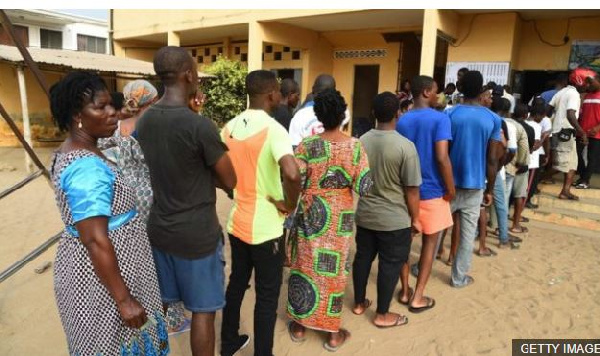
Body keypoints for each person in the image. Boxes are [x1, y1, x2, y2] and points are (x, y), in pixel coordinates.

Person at [48, 71, 168, 355]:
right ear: (78, 115)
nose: (113, 112)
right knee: (113, 345)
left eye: (110, 104)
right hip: (102, 280)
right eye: (100, 107)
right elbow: (95, 240)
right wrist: (124, 300)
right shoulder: (85, 168)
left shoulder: (87, 150)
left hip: (115, 267)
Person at [137, 46, 237, 356]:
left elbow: (166, 163)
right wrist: (208, 176)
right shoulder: (199, 126)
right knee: (203, 312)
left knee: (162, 307)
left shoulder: (146, 120)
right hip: (196, 237)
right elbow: (230, 180)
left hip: (160, 230)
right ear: (189, 75)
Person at [221, 70, 301, 356]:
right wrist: (289, 205)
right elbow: (292, 173)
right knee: (267, 297)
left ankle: (229, 342)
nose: (280, 95)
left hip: (237, 222)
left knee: (237, 283)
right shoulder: (273, 129)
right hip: (266, 229)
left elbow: (220, 172)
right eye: (279, 91)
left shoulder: (229, 127)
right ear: (270, 94)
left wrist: (235, 190)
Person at [287, 88, 372, 352]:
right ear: (343, 114)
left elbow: (294, 178)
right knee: (333, 272)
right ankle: (332, 334)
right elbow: (365, 187)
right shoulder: (355, 146)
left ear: (318, 116)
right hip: (339, 219)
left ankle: (300, 326)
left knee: (304, 265)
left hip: (311, 214)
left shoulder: (307, 146)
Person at [351, 91, 418, 327]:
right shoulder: (406, 147)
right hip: (394, 219)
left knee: (362, 259)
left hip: (366, 214)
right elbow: (412, 189)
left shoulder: (360, 142)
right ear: (398, 113)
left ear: (373, 113)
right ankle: (382, 314)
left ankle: (359, 303)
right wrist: (416, 218)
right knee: (389, 265)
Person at [396, 76, 454, 312]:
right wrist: (450, 188)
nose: (439, 96)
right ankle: (418, 295)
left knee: (403, 244)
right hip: (432, 192)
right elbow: (442, 157)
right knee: (430, 245)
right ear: (427, 92)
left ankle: (405, 290)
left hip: (406, 191)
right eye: (437, 91)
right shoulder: (441, 119)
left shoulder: (403, 120)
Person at [445, 70, 502, 288]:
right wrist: (490, 190)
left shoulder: (449, 114)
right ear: (481, 91)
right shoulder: (493, 119)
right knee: (468, 235)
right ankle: (458, 278)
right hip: (476, 184)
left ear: (460, 88)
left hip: (449, 183)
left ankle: (422, 267)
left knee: (437, 230)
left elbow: (443, 152)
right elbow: (492, 160)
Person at [545, 69, 590, 200]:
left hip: (561, 132)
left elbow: (548, 110)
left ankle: (565, 191)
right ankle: (536, 181)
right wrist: (582, 132)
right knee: (560, 166)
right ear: (580, 82)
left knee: (572, 164)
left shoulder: (561, 92)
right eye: (586, 82)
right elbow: (571, 114)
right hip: (565, 133)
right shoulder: (574, 94)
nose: (587, 86)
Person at [288, 74, 350, 146]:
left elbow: (294, 146)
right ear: (334, 92)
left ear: (313, 90)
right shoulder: (343, 111)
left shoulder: (299, 116)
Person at [490, 97, 518, 249]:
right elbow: (511, 150)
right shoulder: (507, 125)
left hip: (480, 169)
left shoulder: (487, 119)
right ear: (508, 110)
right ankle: (503, 238)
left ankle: (476, 233)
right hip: (495, 170)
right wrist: (501, 166)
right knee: (501, 205)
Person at [505, 104, 532, 234]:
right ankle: (516, 224)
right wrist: (521, 163)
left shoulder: (507, 124)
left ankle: (499, 223)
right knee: (519, 195)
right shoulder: (528, 129)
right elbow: (528, 148)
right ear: (526, 115)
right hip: (520, 166)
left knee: (504, 196)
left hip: (505, 164)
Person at [576, 72, 600, 189]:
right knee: (576, 153)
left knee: (592, 157)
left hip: (597, 133)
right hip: (582, 131)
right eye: (587, 83)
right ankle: (583, 176)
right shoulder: (586, 96)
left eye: (591, 82)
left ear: (598, 81)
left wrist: (597, 127)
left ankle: (585, 180)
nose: (588, 85)